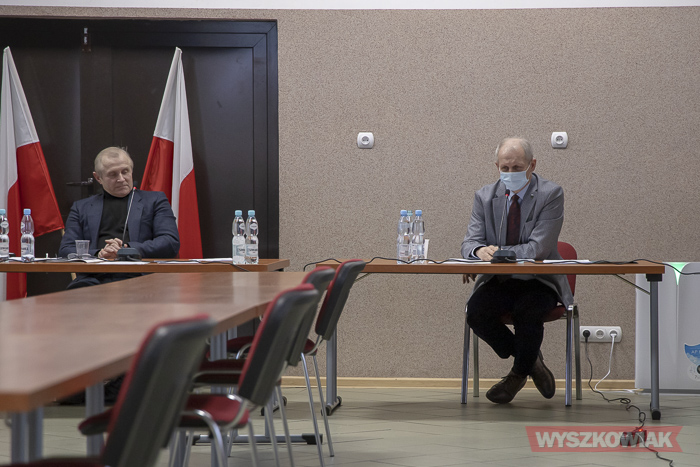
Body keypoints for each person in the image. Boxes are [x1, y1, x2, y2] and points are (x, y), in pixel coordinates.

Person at [461, 137, 573, 404]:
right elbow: (470, 243)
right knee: (476, 313)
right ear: (497, 167)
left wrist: (496, 251)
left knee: (528, 312)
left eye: (517, 167)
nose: (510, 173)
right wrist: (478, 252)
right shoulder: (484, 196)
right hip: (500, 279)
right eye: (505, 168)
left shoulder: (551, 194)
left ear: (532, 165)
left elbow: (538, 249)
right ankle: (532, 361)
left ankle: (517, 375)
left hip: (539, 280)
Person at [59, 146, 180, 288]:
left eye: (125, 171)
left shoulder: (155, 201)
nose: (121, 179)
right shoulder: (81, 207)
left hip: (140, 277)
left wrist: (126, 250)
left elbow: (170, 242)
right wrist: (99, 254)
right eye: (113, 174)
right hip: (94, 278)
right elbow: (66, 249)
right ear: (98, 178)